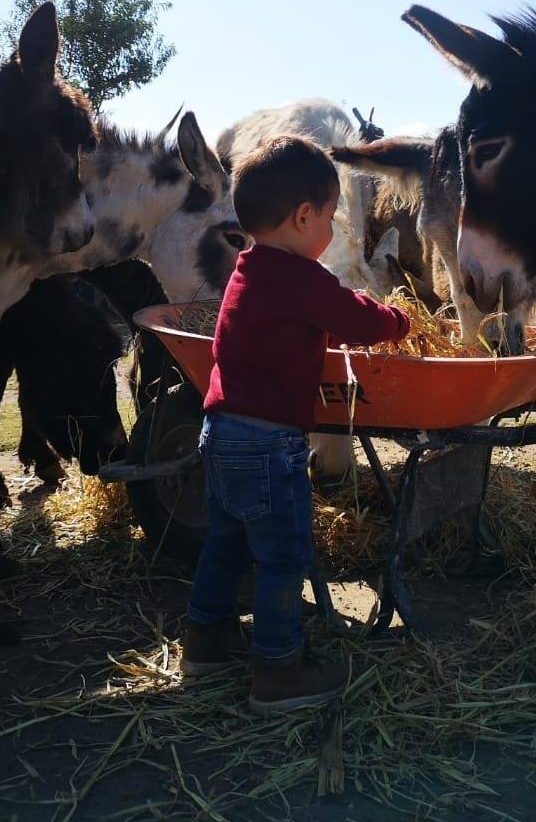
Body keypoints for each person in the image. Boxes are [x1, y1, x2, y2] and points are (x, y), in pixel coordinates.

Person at [180, 134, 409, 712]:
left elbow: (289, 328)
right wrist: (399, 321)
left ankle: (205, 641)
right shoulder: (303, 280)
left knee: (226, 542)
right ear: (304, 216)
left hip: (221, 433)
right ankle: (278, 668)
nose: (331, 230)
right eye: (331, 217)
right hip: (268, 442)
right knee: (283, 554)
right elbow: (355, 318)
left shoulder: (248, 271)